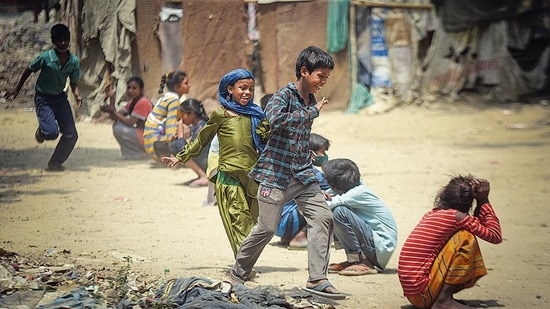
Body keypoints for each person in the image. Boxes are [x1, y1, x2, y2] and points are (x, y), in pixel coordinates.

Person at [229, 46, 346, 300]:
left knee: (323, 218)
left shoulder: (310, 100)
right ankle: (238, 272)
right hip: (274, 174)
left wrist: (307, 153)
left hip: (303, 174)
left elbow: (297, 134)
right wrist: (310, 113)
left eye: (327, 77)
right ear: (304, 72)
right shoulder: (284, 96)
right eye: (320, 77)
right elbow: (274, 121)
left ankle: (317, 279)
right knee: (266, 228)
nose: (323, 82)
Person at [161, 68, 269, 258]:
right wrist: (181, 157)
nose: (247, 93)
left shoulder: (257, 115)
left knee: (253, 223)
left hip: (252, 177)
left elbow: (268, 140)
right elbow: (201, 140)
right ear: (229, 89)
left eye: (251, 89)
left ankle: (245, 262)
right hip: (228, 176)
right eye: (242, 88)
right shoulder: (220, 115)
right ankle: (243, 267)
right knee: (238, 219)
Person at [398, 175, 502, 309]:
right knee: (466, 237)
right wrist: (483, 201)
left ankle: (442, 297)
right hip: (422, 293)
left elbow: (481, 227)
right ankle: (443, 301)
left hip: (415, 294)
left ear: (443, 195)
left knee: (459, 236)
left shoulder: (434, 214)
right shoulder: (457, 217)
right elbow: (495, 236)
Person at [4, 23, 83, 172]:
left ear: (69, 39)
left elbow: (74, 82)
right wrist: (17, 88)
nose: (62, 43)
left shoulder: (73, 61)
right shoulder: (45, 57)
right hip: (44, 99)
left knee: (71, 135)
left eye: (65, 40)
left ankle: (55, 163)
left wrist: (78, 95)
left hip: (60, 99)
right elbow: (29, 69)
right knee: (51, 133)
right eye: (59, 41)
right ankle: (42, 131)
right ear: (53, 42)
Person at [321, 158, 398, 276]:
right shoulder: (349, 186)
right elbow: (327, 196)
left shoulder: (358, 192)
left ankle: (364, 262)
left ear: (334, 184)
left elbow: (327, 204)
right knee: (335, 212)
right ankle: (354, 260)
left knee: (339, 212)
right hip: (376, 247)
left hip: (380, 249)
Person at [275, 133, 331, 250]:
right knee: (327, 202)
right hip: (289, 222)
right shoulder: (310, 172)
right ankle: (300, 236)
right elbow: (332, 187)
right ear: (311, 152)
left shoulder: (289, 166)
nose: (324, 156)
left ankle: (288, 236)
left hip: (276, 223)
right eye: (322, 152)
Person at [100, 76, 153, 160]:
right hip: (143, 135)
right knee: (118, 124)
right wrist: (112, 98)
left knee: (118, 129)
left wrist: (112, 111)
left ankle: (138, 153)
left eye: (134, 88)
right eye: (128, 88)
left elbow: (129, 122)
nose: (130, 91)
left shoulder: (143, 102)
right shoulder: (133, 101)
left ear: (141, 90)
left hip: (150, 137)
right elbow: (115, 116)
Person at [143, 71, 190, 163]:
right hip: (157, 146)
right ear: (177, 87)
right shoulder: (174, 100)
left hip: (151, 144)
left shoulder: (168, 97)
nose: (189, 86)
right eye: (186, 83)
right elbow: (170, 126)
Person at [168, 98, 210, 187]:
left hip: (211, 162)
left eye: (183, 115)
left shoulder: (202, 127)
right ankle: (201, 175)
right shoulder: (199, 125)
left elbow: (184, 149)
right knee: (175, 145)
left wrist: (180, 133)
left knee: (177, 146)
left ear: (191, 114)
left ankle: (204, 176)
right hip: (207, 160)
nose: (181, 119)